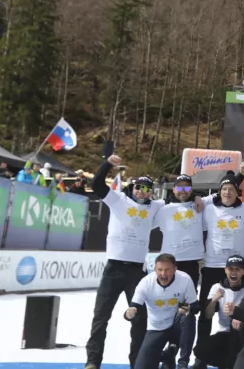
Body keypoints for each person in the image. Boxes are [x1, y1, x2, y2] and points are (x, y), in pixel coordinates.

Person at [85, 154, 168, 369]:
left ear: (152, 192)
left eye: (147, 188)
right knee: (101, 317)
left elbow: (178, 201)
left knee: (139, 319)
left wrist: (196, 198)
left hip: (136, 272)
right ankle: (93, 361)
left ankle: (137, 363)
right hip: (114, 268)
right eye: (138, 187)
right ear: (132, 187)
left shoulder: (155, 207)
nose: (142, 191)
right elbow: (95, 184)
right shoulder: (118, 200)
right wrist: (107, 165)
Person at [197, 175, 244, 361]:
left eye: (231, 189)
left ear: (238, 191)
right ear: (218, 192)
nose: (227, 193)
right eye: (224, 189)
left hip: (238, 267)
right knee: (206, 313)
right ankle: (201, 359)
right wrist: (198, 197)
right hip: (214, 266)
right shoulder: (209, 208)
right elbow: (196, 200)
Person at [125, 253, 200, 369]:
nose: (163, 274)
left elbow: (196, 307)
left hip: (177, 325)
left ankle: (182, 363)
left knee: (188, 318)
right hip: (156, 327)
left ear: (175, 269)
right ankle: (168, 355)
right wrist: (129, 313)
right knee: (142, 365)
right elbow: (135, 305)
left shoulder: (185, 279)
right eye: (160, 270)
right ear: (154, 269)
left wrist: (186, 308)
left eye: (167, 270)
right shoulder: (146, 283)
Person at [193, 254, 244, 369]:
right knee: (200, 350)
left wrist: (239, 314)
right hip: (224, 333)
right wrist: (214, 300)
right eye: (230, 269)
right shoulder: (217, 287)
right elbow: (208, 315)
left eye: (237, 269)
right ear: (225, 270)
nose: (233, 273)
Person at [154, 175, 204, 290]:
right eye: (180, 188)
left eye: (186, 188)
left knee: (190, 300)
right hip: (169, 262)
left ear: (191, 190)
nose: (183, 191)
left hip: (191, 261)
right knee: (166, 296)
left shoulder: (200, 205)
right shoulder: (163, 208)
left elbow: (221, 193)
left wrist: (197, 196)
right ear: (174, 189)